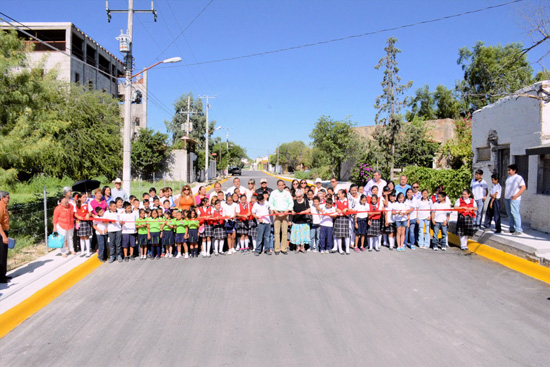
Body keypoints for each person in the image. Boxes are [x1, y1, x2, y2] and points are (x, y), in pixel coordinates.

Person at [269, 180, 294, 255]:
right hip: (276, 214)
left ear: (284, 185)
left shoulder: (287, 193)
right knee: (276, 232)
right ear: (277, 186)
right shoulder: (274, 193)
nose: (281, 186)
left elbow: (291, 203)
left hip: (285, 213)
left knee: (284, 232)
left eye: (282, 185)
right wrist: (275, 211)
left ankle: (284, 248)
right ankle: (277, 249)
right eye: (279, 185)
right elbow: (271, 203)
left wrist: (288, 210)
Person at [504, 164, 526, 236]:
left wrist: (516, 195)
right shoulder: (509, 177)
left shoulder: (518, 178)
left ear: (514, 170)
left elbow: (523, 187)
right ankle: (511, 228)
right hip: (507, 198)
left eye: (509, 170)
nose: (508, 171)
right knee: (509, 214)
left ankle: (518, 230)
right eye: (508, 170)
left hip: (514, 199)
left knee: (515, 213)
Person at [334, 189, 351, 255]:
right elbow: (334, 208)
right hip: (338, 218)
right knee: (339, 235)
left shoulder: (348, 201)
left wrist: (347, 209)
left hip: (346, 218)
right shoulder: (337, 201)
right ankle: (340, 249)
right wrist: (336, 209)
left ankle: (347, 249)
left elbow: (352, 210)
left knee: (346, 235)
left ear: (343, 194)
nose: (338, 195)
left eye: (339, 194)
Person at [0, 191, 11, 283]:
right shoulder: (0, 207)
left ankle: (3, 274)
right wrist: (3, 236)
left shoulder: (5, 206)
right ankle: (0, 277)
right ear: (2, 198)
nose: (9, 199)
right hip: (1, 233)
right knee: (1, 255)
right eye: (7, 197)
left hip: (4, 232)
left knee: (4, 255)